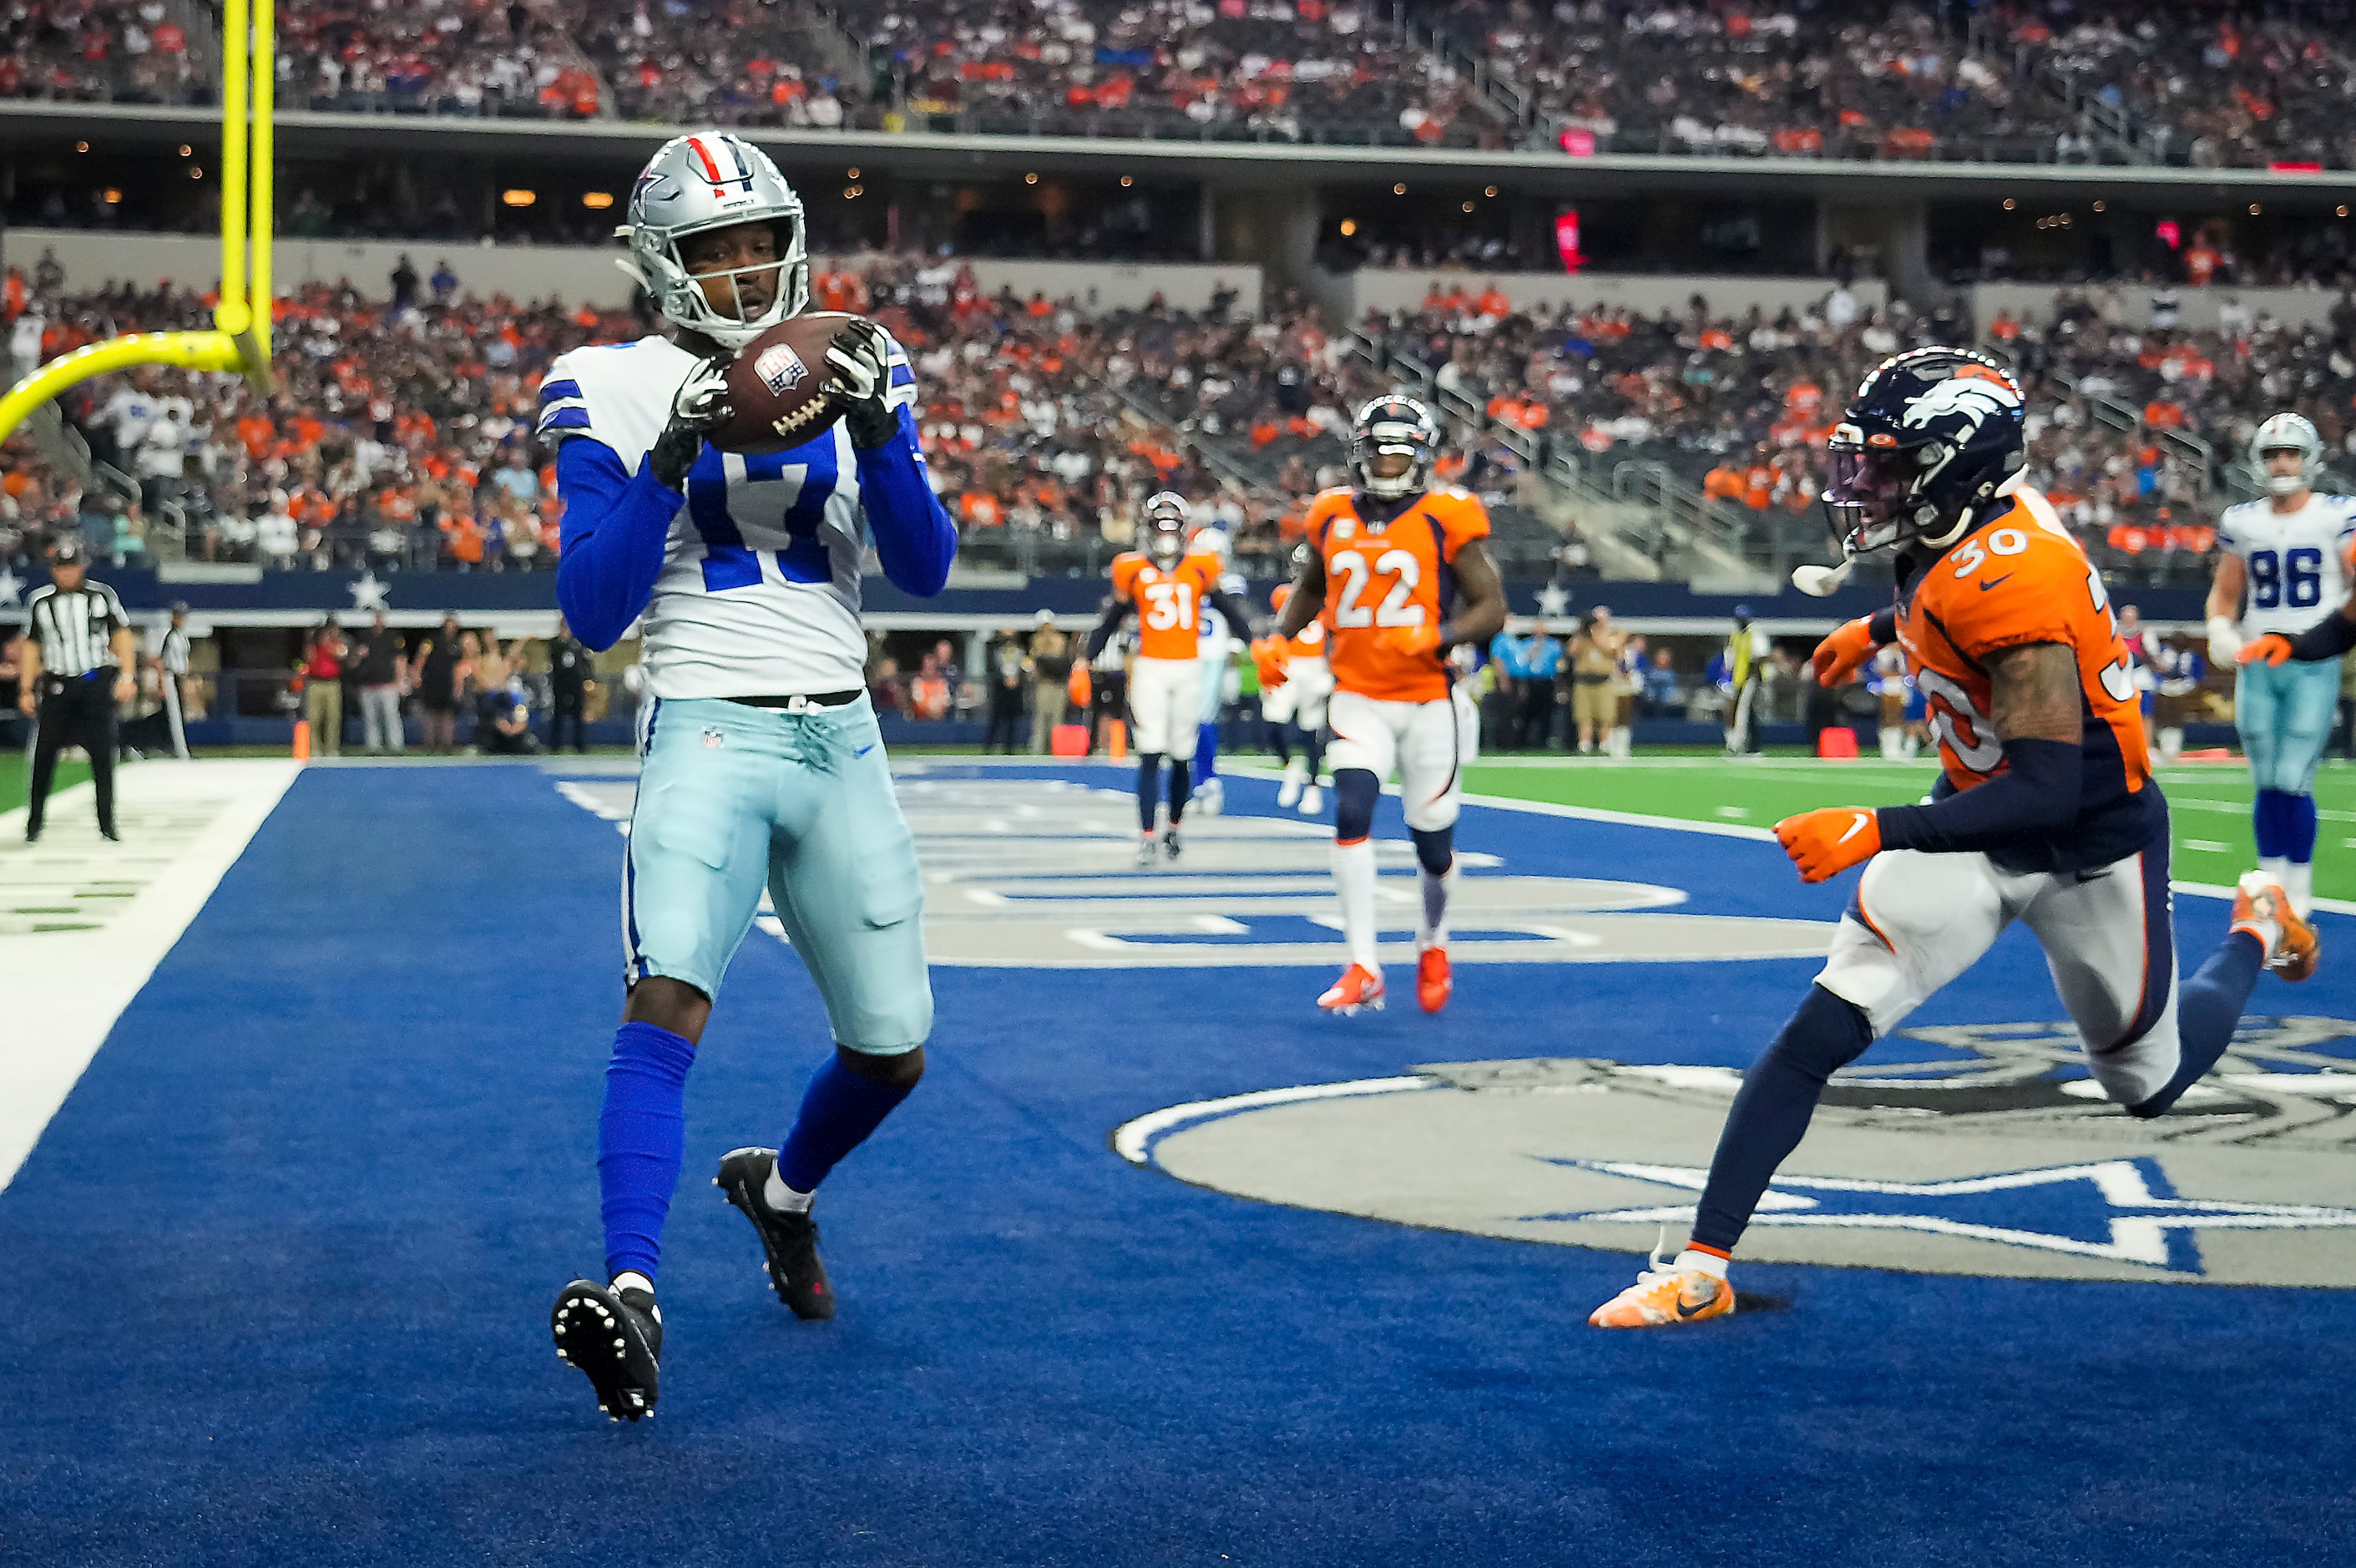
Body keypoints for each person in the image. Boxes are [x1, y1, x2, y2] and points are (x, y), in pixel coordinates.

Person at [1588, 348, 2319, 1330]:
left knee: (2147, 1083)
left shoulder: (2018, 575)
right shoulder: (1967, 524)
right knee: (1819, 1029)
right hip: (1977, 818)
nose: (1863, 487)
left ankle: (2253, 930)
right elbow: (1946, 588)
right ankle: (1700, 1267)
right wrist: (1881, 626)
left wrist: (1871, 826)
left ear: (1956, 470)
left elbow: (2046, 790)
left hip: (2085, 838)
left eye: (1889, 469)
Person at [538, 132, 958, 1423]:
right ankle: (635, 1293)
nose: (742, 267)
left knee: (892, 1052)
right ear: (663, 261)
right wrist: (669, 452)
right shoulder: (600, 381)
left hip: (840, 730)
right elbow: (593, 611)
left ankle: (779, 1194)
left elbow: (926, 568)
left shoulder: (858, 354)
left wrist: (881, 429)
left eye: (757, 240)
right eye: (713, 248)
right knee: (665, 998)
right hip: (708, 722)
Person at [1258, 394, 1509, 1017]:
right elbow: (1313, 585)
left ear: (1422, 457)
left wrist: (1439, 635)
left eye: (1402, 452)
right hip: (1359, 694)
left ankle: (1433, 938)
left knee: (1432, 847)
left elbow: (1491, 608)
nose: (1390, 463)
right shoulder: (1331, 512)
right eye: (1380, 450)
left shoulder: (1446, 513)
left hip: (1427, 700)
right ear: (1359, 453)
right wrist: (1279, 638)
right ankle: (1363, 963)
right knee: (1352, 813)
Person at [2202, 414, 2356, 916]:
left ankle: (2300, 887)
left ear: (2310, 457)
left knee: (2294, 776)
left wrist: (2326, 636)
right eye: (2272, 454)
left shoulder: (2337, 514)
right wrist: (2221, 630)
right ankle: (2270, 882)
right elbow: (2225, 594)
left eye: (2290, 452)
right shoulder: (2243, 520)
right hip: (2259, 659)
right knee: (2265, 776)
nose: (2282, 462)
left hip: (2312, 657)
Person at [1085, 492, 1251, 867]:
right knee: (1149, 751)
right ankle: (1147, 836)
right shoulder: (1131, 569)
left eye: (1172, 525)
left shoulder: (1199, 567)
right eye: (1159, 525)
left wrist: (1255, 641)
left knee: (1181, 755)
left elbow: (1229, 609)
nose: (1165, 532)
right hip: (1151, 668)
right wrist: (1088, 656)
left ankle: (1173, 829)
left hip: (1188, 668)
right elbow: (1113, 617)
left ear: (1183, 529)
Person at [19, 539, 134, 842]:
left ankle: (107, 823)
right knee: (44, 755)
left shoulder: (101, 596)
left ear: (82, 567)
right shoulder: (40, 601)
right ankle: (34, 823)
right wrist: (26, 688)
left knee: (103, 756)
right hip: (58, 685)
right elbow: (32, 647)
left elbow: (121, 635)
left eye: (71, 567)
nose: (67, 574)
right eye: (61, 567)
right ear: (53, 570)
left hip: (94, 684)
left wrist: (127, 676)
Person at [1186, 524, 1248, 817]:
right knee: (1189, 722)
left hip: (1213, 656)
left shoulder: (1228, 584)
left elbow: (1237, 617)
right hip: (1187, 655)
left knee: (1203, 719)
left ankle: (1208, 781)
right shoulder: (1190, 579)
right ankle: (1199, 781)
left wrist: (1236, 649)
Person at [1261, 566, 1332, 816]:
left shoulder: (1330, 593)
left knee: (1312, 727)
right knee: (1273, 721)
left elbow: (1333, 631)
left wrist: (1331, 668)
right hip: (1289, 663)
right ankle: (1290, 765)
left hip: (1316, 665)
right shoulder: (1283, 594)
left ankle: (1313, 784)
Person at [347, 609, 406, 755]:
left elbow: (400, 660)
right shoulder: (363, 637)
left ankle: (396, 746)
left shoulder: (392, 637)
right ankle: (374, 747)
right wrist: (357, 654)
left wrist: (400, 682)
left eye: (380, 618)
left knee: (391, 716)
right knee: (371, 718)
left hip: (388, 684)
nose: (378, 621)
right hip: (368, 685)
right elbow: (352, 662)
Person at [410, 614, 464, 754]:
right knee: (431, 714)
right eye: (448, 625)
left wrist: (458, 686)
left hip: (448, 684)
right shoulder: (431, 641)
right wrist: (416, 675)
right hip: (432, 683)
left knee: (447, 715)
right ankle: (429, 744)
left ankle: (446, 745)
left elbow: (459, 667)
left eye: (453, 625)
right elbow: (421, 658)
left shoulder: (457, 644)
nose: (450, 628)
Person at [149, 602, 194, 759]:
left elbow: (185, 660)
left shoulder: (181, 635)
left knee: (176, 713)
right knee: (172, 714)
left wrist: (186, 680)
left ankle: (171, 746)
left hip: (179, 677)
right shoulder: (167, 634)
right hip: (169, 676)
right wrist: (161, 683)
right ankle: (178, 749)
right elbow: (159, 660)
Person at [1723, 604, 1770, 755]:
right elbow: (1730, 659)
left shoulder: (1754, 634)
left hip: (1752, 677)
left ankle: (1744, 745)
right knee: (1744, 712)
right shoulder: (1736, 635)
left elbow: (1762, 655)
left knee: (1745, 712)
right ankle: (1747, 745)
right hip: (1739, 679)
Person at [1024, 610, 1069, 754]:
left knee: (1057, 719)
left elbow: (1058, 654)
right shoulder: (1036, 640)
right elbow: (1036, 658)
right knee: (1041, 718)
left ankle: (1057, 749)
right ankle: (1037, 750)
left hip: (1059, 684)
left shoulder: (1060, 640)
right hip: (1043, 684)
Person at [300, 620, 346, 756]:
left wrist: (328, 643)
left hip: (332, 683)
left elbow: (342, 654)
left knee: (333, 717)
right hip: (315, 683)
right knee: (314, 718)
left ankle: (332, 749)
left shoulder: (335, 644)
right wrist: (310, 639)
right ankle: (315, 749)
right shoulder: (313, 647)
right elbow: (308, 658)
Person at [548, 617, 592, 753]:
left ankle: (579, 744)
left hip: (575, 683)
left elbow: (585, 662)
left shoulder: (578, 643)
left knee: (578, 714)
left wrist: (588, 678)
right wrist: (563, 640)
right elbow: (553, 658)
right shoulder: (555, 643)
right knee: (559, 713)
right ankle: (555, 745)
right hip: (560, 683)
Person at [983, 632, 1026, 754]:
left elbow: (1024, 669)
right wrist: (1004, 679)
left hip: (1014, 692)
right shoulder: (998, 653)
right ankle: (988, 748)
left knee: (1012, 722)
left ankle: (1009, 749)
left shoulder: (1020, 653)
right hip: (1000, 691)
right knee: (996, 720)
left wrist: (1016, 679)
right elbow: (993, 669)